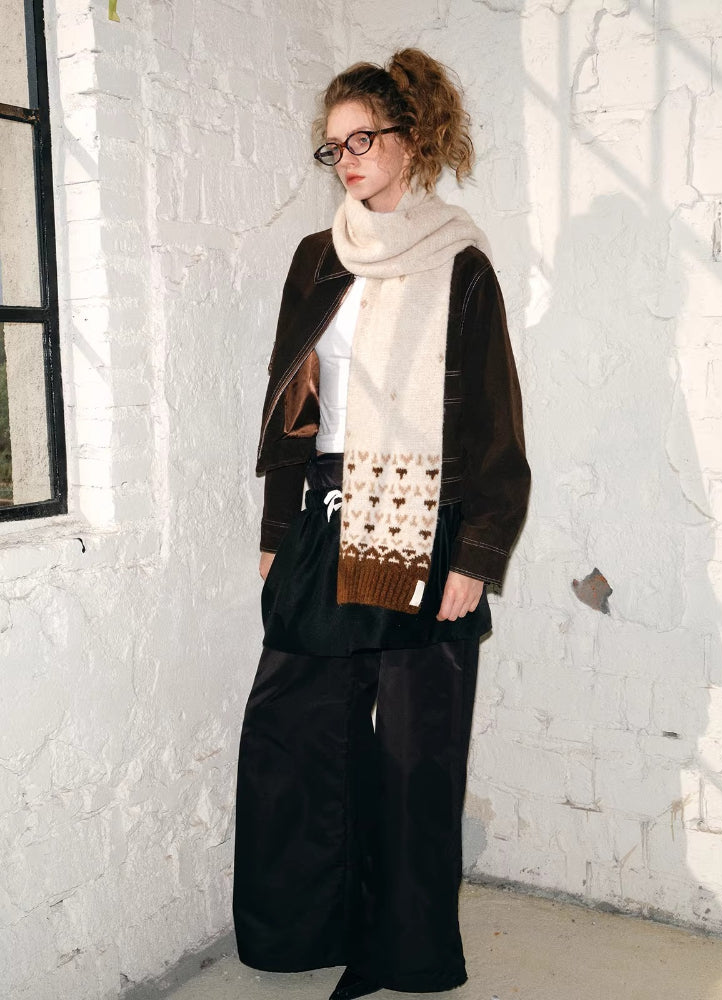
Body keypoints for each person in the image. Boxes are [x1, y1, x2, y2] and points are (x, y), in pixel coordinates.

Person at [233, 48, 530, 1000]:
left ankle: (404, 949)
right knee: (294, 729)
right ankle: (303, 929)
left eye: (362, 139)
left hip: (421, 518)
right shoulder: (317, 259)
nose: (347, 160)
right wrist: (276, 531)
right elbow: (292, 404)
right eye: (334, 147)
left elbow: (494, 422)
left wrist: (475, 555)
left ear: (411, 139)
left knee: (413, 744)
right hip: (326, 514)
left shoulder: (460, 263)